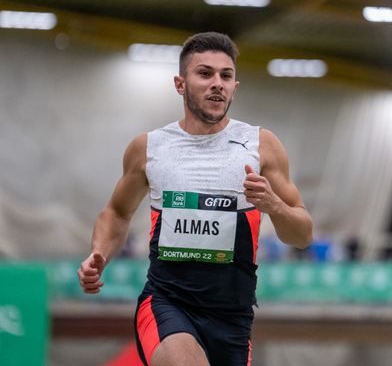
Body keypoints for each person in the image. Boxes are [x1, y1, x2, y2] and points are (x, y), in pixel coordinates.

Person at [77, 32, 313, 366]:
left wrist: (273, 204)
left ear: (235, 86)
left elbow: (302, 235)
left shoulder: (261, 145)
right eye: (205, 73)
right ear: (180, 83)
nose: (217, 83)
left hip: (233, 317)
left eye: (226, 76)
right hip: (167, 303)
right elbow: (117, 211)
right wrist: (98, 254)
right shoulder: (149, 148)